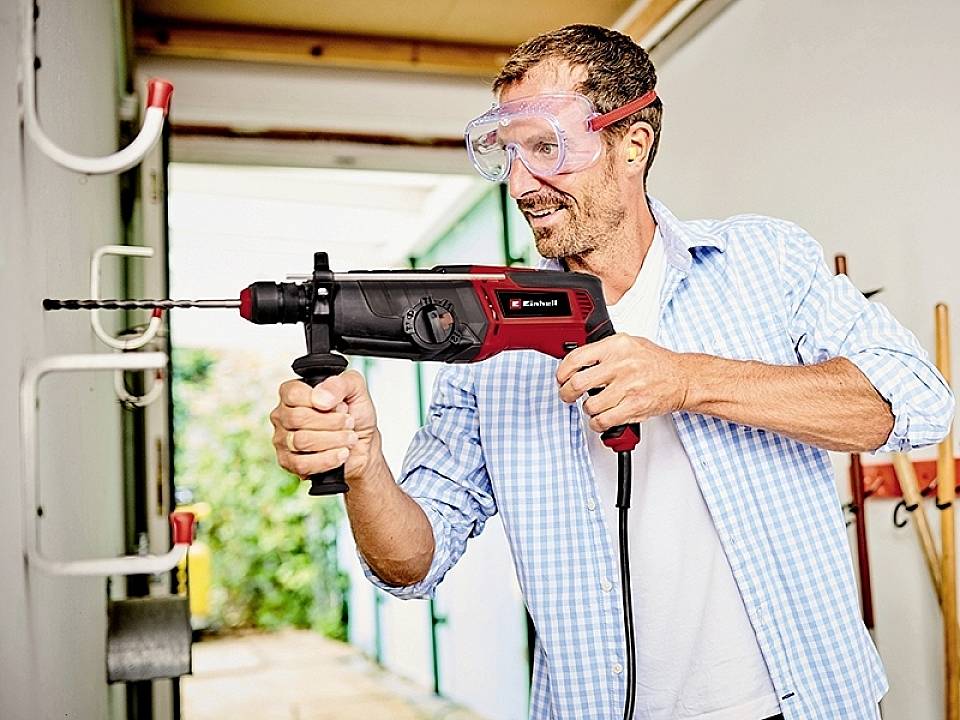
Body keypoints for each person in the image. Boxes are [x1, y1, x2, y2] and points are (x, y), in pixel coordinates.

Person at [270, 24, 954, 720]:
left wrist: (685, 380)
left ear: (633, 143)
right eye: (507, 154)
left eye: (546, 147)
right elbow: (411, 565)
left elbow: (915, 402)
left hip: (808, 704)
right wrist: (364, 467)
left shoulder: (763, 260)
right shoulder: (488, 341)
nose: (521, 182)